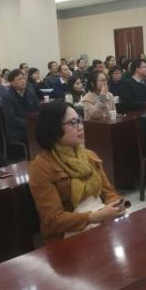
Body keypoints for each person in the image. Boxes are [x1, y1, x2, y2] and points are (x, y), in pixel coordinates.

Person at [29, 102, 124, 243]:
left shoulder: (89, 155)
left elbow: (108, 191)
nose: (80, 127)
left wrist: (116, 205)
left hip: (100, 220)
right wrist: (93, 217)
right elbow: (53, 220)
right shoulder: (41, 168)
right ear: (54, 129)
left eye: (79, 120)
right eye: (73, 123)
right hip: (66, 235)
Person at [0, 69, 40, 143]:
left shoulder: (30, 93)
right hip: (17, 131)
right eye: (19, 79)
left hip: (32, 125)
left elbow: (38, 110)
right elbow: (12, 119)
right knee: (40, 134)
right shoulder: (7, 97)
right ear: (12, 82)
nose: (23, 81)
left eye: (24, 78)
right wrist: (30, 125)